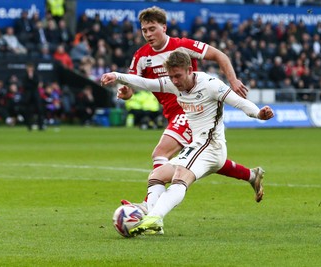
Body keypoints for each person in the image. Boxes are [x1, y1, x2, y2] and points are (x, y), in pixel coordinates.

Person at [101, 50, 274, 235]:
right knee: (157, 175)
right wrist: (116, 76)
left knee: (180, 176)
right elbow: (145, 82)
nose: (175, 81)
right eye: (171, 77)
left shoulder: (210, 85)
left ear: (190, 70)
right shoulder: (174, 84)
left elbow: (238, 101)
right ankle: (152, 216)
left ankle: (155, 217)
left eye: (178, 76)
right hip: (197, 145)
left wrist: (258, 114)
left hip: (211, 145)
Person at [108, 7, 264, 209]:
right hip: (172, 114)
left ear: (164, 27)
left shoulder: (182, 46)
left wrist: (233, 81)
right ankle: (251, 175)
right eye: (144, 30)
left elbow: (220, 56)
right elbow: (130, 87)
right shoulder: (141, 57)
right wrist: (125, 94)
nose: (148, 34)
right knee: (211, 160)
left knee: (160, 153)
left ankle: (149, 206)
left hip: (191, 111)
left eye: (152, 28)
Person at [21, 62, 44, 131]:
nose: (30, 69)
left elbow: (37, 84)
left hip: (35, 95)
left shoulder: (36, 75)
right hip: (28, 95)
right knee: (28, 111)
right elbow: (25, 85)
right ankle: (29, 126)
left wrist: (31, 79)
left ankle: (41, 126)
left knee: (39, 110)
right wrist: (31, 81)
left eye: (31, 68)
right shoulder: (24, 76)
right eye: (29, 68)